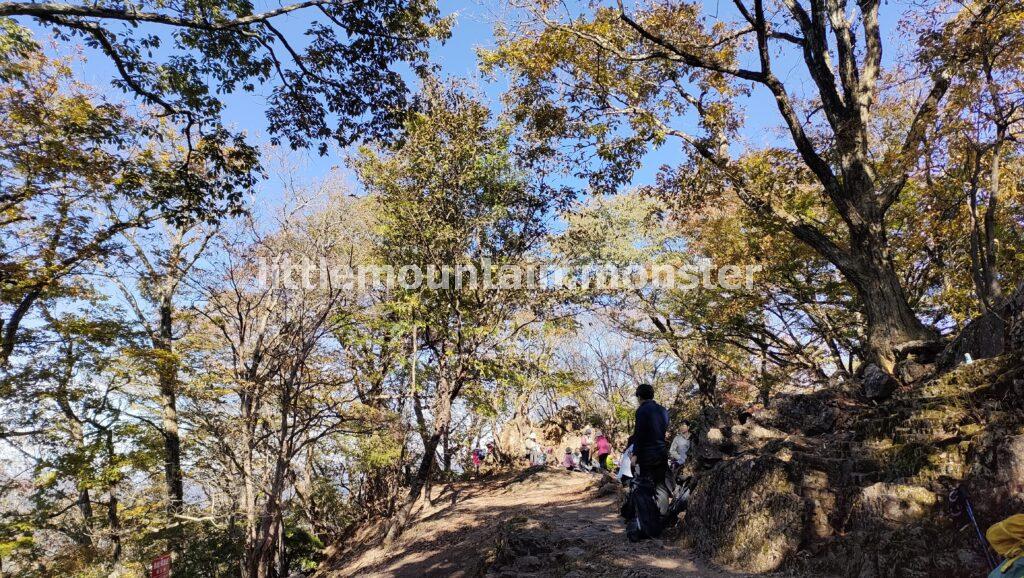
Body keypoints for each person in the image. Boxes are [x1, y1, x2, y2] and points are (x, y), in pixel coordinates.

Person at [629, 383, 669, 488]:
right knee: (661, 486)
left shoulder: (641, 411)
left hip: (647, 454)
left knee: (646, 486)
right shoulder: (663, 410)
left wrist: (635, 454)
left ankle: (647, 504)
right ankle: (662, 505)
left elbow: (639, 434)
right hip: (662, 452)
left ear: (639, 396)